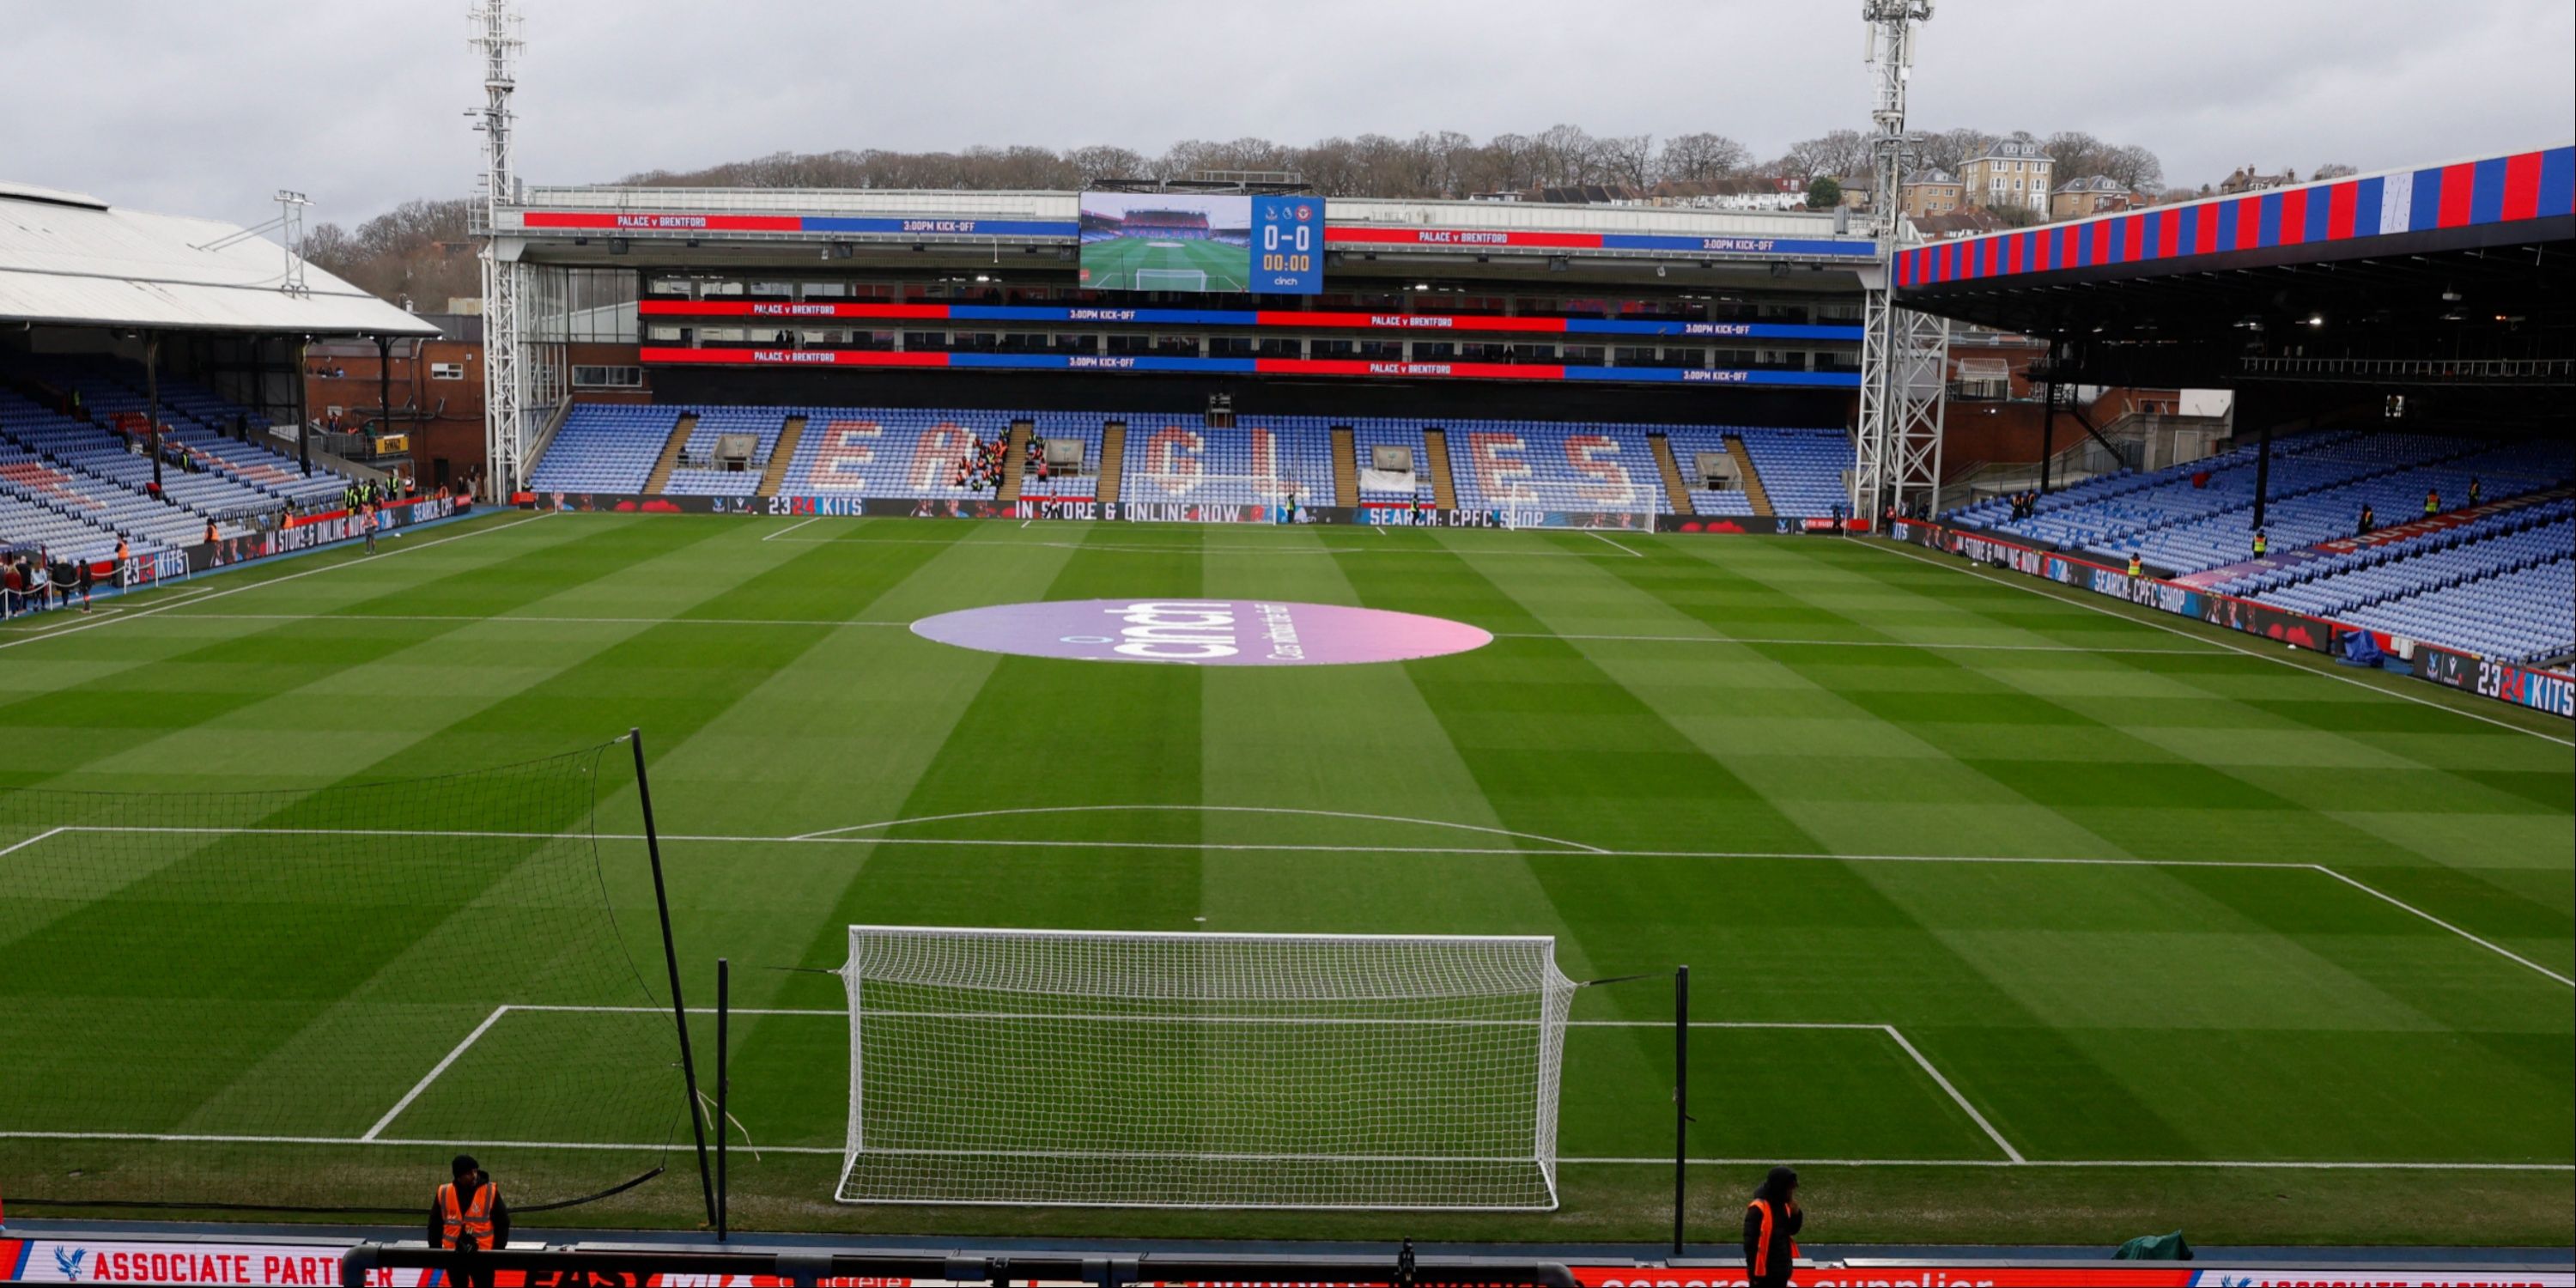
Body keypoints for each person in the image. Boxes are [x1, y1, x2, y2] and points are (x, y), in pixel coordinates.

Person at [428, 1155, 508, 1288]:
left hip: (483, 1257)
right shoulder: (444, 1192)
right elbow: (435, 1225)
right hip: (454, 1256)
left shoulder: (489, 1191)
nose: (474, 1175)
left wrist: (497, 1253)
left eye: (475, 1171)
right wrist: (436, 1253)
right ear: (458, 1176)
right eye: (469, 1173)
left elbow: (503, 1223)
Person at [1741, 1166, 1803, 1288]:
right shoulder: (1758, 1209)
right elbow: (1751, 1245)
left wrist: (1797, 1214)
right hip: (1764, 1277)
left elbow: (1792, 1230)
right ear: (1780, 1188)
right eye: (1789, 1189)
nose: (1791, 1193)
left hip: (1781, 1274)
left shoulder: (1784, 1205)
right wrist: (1755, 1276)